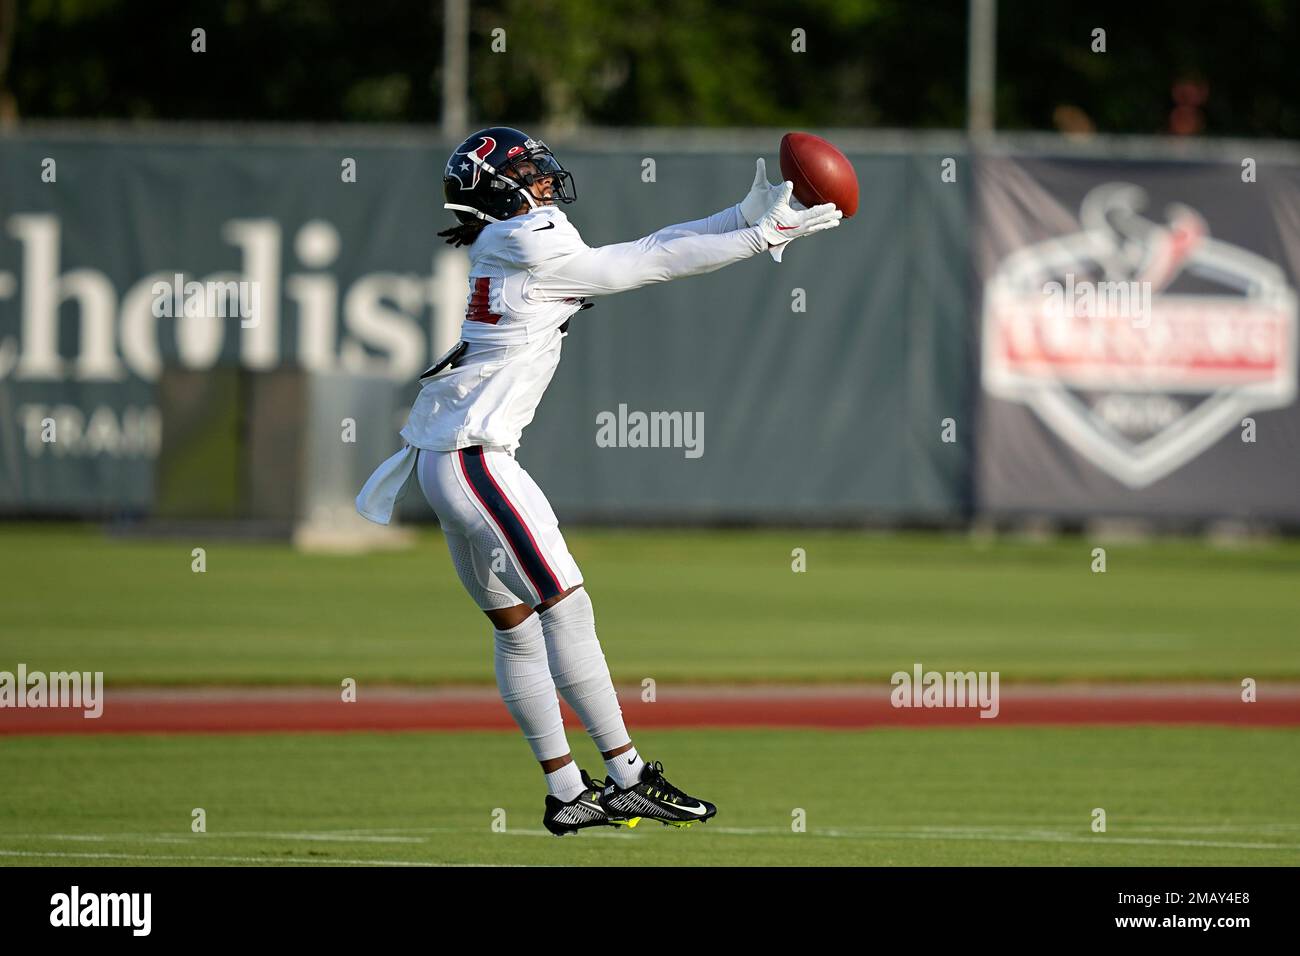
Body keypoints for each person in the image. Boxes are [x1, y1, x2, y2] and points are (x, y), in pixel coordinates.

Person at [357, 126, 841, 836]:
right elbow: (644, 265)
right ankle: (627, 777)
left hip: (446, 462)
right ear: (500, 188)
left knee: (519, 629)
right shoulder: (529, 236)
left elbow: (648, 248)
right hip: (478, 460)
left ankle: (565, 791)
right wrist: (760, 237)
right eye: (528, 170)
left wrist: (742, 220)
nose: (546, 178)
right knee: (567, 608)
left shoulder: (515, 239)